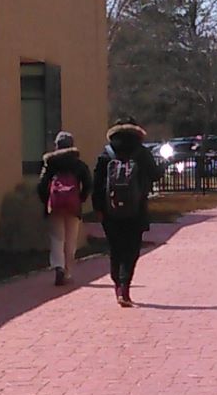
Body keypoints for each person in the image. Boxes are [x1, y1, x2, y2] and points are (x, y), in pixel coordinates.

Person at [92, 119, 160, 306]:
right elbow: (156, 175)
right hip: (136, 209)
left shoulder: (107, 153)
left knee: (115, 248)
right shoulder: (142, 152)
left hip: (109, 210)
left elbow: (96, 183)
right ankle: (125, 286)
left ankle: (117, 285)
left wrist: (98, 208)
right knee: (131, 249)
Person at [36, 130, 91, 287]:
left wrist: (47, 201)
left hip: (55, 206)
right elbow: (88, 183)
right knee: (71, 240)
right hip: (73, 206)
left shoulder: (50, 163)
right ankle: (67, 272)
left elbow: (41, 185)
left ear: (57, 146)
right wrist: (80, 199)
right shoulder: (78, 164)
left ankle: (58, 266)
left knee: (57, 238)